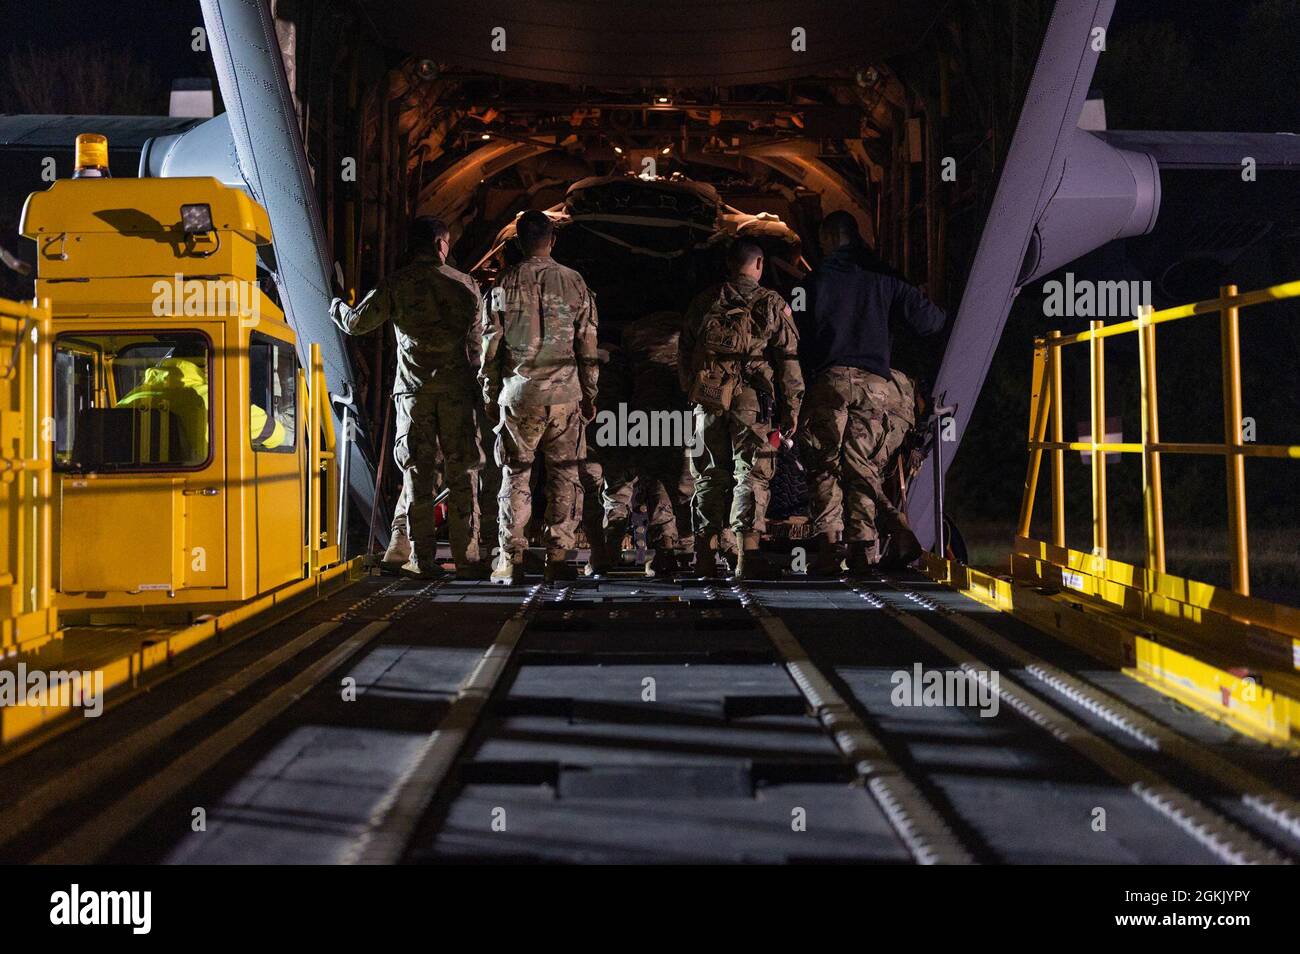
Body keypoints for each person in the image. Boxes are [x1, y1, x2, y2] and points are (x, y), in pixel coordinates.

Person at [331, 216, 485, 579]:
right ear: (438, 244)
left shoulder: (397, 285)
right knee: (463, 472)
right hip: (458, 394)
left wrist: (335, 303)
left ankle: (423, 558)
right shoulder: (467, 286)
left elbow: (356, 324)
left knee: (418, 474)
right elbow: (478, 348)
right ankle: (466, 556)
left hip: (414, 395)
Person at [796, 210, 945, 575]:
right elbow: (932, 322)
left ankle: (830, 550)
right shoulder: (884, 279)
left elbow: (792, 339)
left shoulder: (812, 284)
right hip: (875, 389)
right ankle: (864, 551)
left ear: (828, 239)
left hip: (829, 382)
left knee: (825, 464)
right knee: (863, 463)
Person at [481, 210, 599, 584]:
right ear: (553, 240)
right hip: (565, 395)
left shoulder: (503, 283)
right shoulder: (575, 282)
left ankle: (510, 560)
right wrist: (590, 392)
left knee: (516, 475)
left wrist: (489, 392)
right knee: (564, 475)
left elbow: (489, 346)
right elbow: (588, 344)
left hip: (520, 396)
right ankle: (559, 557)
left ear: (517, 242)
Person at [679, 239, 803, 580]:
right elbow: (788, 361)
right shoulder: (771, 303)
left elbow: (686, 351)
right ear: (759, 264)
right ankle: (746, 555)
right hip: (752, 402)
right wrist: (792, 406)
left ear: (729, 264)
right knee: (751, 473)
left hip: (709, 397)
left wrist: (694, 390)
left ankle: (704, 555)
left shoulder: (705, 301)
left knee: (708, 475)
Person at [621, 307, 694, 577]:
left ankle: (664, 548)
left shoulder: (634, 331)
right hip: (682, 404)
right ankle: (688, 548)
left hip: (648, 407)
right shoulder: (690, 323)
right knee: (684, 478)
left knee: (653, 478)